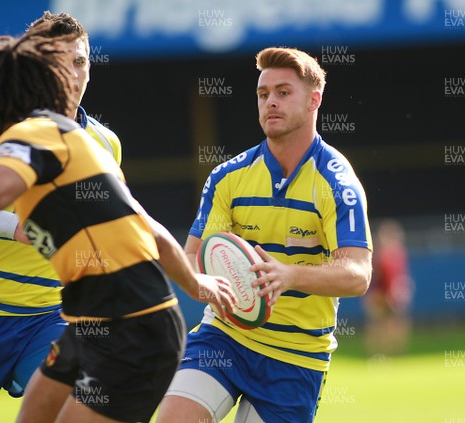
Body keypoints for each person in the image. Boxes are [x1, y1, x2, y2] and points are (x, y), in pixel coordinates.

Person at [0, 25, 236, 423]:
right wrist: (196, 283)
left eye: (80, 61)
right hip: (83, 320)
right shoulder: (62, 136)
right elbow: (146, 226)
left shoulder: (37, 133)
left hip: (130, 330)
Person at [157, 47, 373, 423]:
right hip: (225, 338)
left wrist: (289, 276)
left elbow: (358, 274)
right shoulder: (228, 177)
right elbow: (191, 259)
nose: (270, 102)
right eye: (263, 94)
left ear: (313, 100)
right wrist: (210, 290)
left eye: (283, 92)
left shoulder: (338, 183)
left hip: (295, 356)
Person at [0, 12, 121, 423]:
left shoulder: (105, 142)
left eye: (82, 60)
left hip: (53, 315)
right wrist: (16, 228)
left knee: (74, 408)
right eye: (61, 61)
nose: (75, 72)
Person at [363, 219, 413, 357]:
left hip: (394, 294)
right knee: (377, 325)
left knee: (397, 324)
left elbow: (401, 275)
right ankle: (376, 354)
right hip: (380, 295)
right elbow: (375, 276)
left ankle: (395, 353)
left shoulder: (398, 253)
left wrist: (400, 290)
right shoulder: (378, 255)